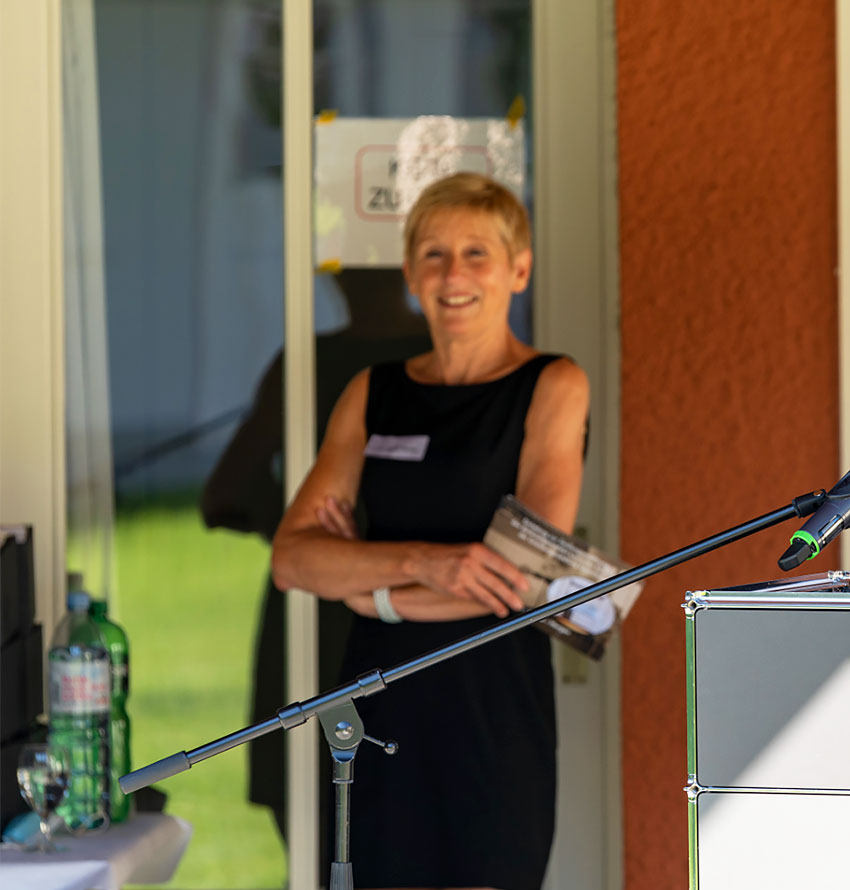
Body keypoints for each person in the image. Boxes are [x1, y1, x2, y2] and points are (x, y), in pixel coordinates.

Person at [271, 172, 589, 890]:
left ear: (519, 268)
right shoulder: (372, 393)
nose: (454, 275)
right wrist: (429, 562)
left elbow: (526, 575)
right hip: (377, 713)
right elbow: (294, 559)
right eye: (435, 255)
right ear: (411, 273)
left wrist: (370, 585)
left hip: (491, 714)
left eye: (477, 253)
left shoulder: (552, 385)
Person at [200, 269, 432, 860]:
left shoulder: (437, 357)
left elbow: (229, 491)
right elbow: (226, 491)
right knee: (311, 817)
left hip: (419, 608)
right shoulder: (314, 360)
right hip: (319, 606)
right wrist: (305, 537)